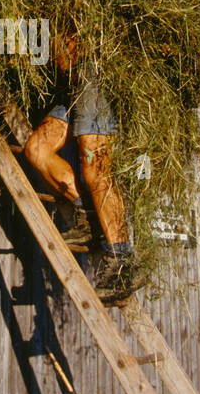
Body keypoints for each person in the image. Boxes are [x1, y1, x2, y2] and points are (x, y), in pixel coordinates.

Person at [22, 33, 140, 303]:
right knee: (36, 150)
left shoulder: (79, 9)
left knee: (95, 168)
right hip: (69, 86)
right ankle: (84, 214)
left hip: (91, 75)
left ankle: (121, 259)